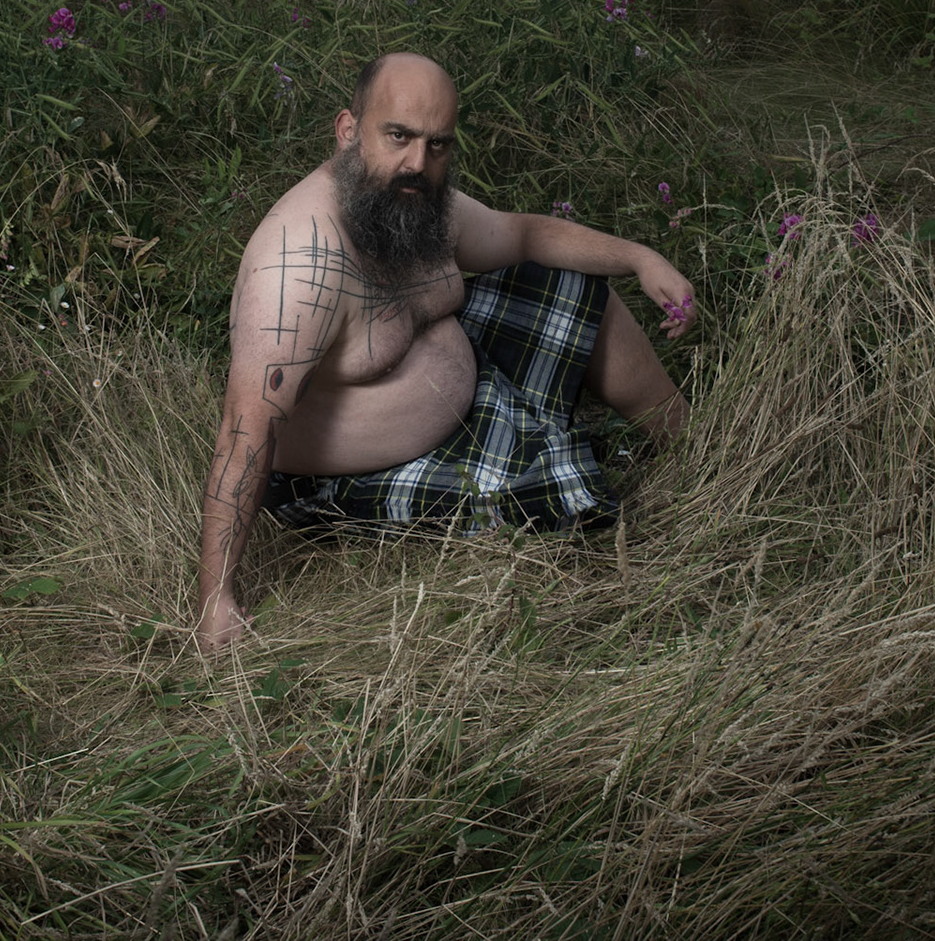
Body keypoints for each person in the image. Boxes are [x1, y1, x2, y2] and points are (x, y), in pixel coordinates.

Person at [196, 52, 695, 650]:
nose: (418, 163)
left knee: (576, 287)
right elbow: (245, 432)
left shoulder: (410, 201)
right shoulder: (300, 264)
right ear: (349, 130)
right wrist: (216, 602)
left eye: (437, 144)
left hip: (455, 387)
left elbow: (525, 233)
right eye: (399, 136)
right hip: (344, 476)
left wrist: (641, 258)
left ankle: (694, 448)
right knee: (564, 501)